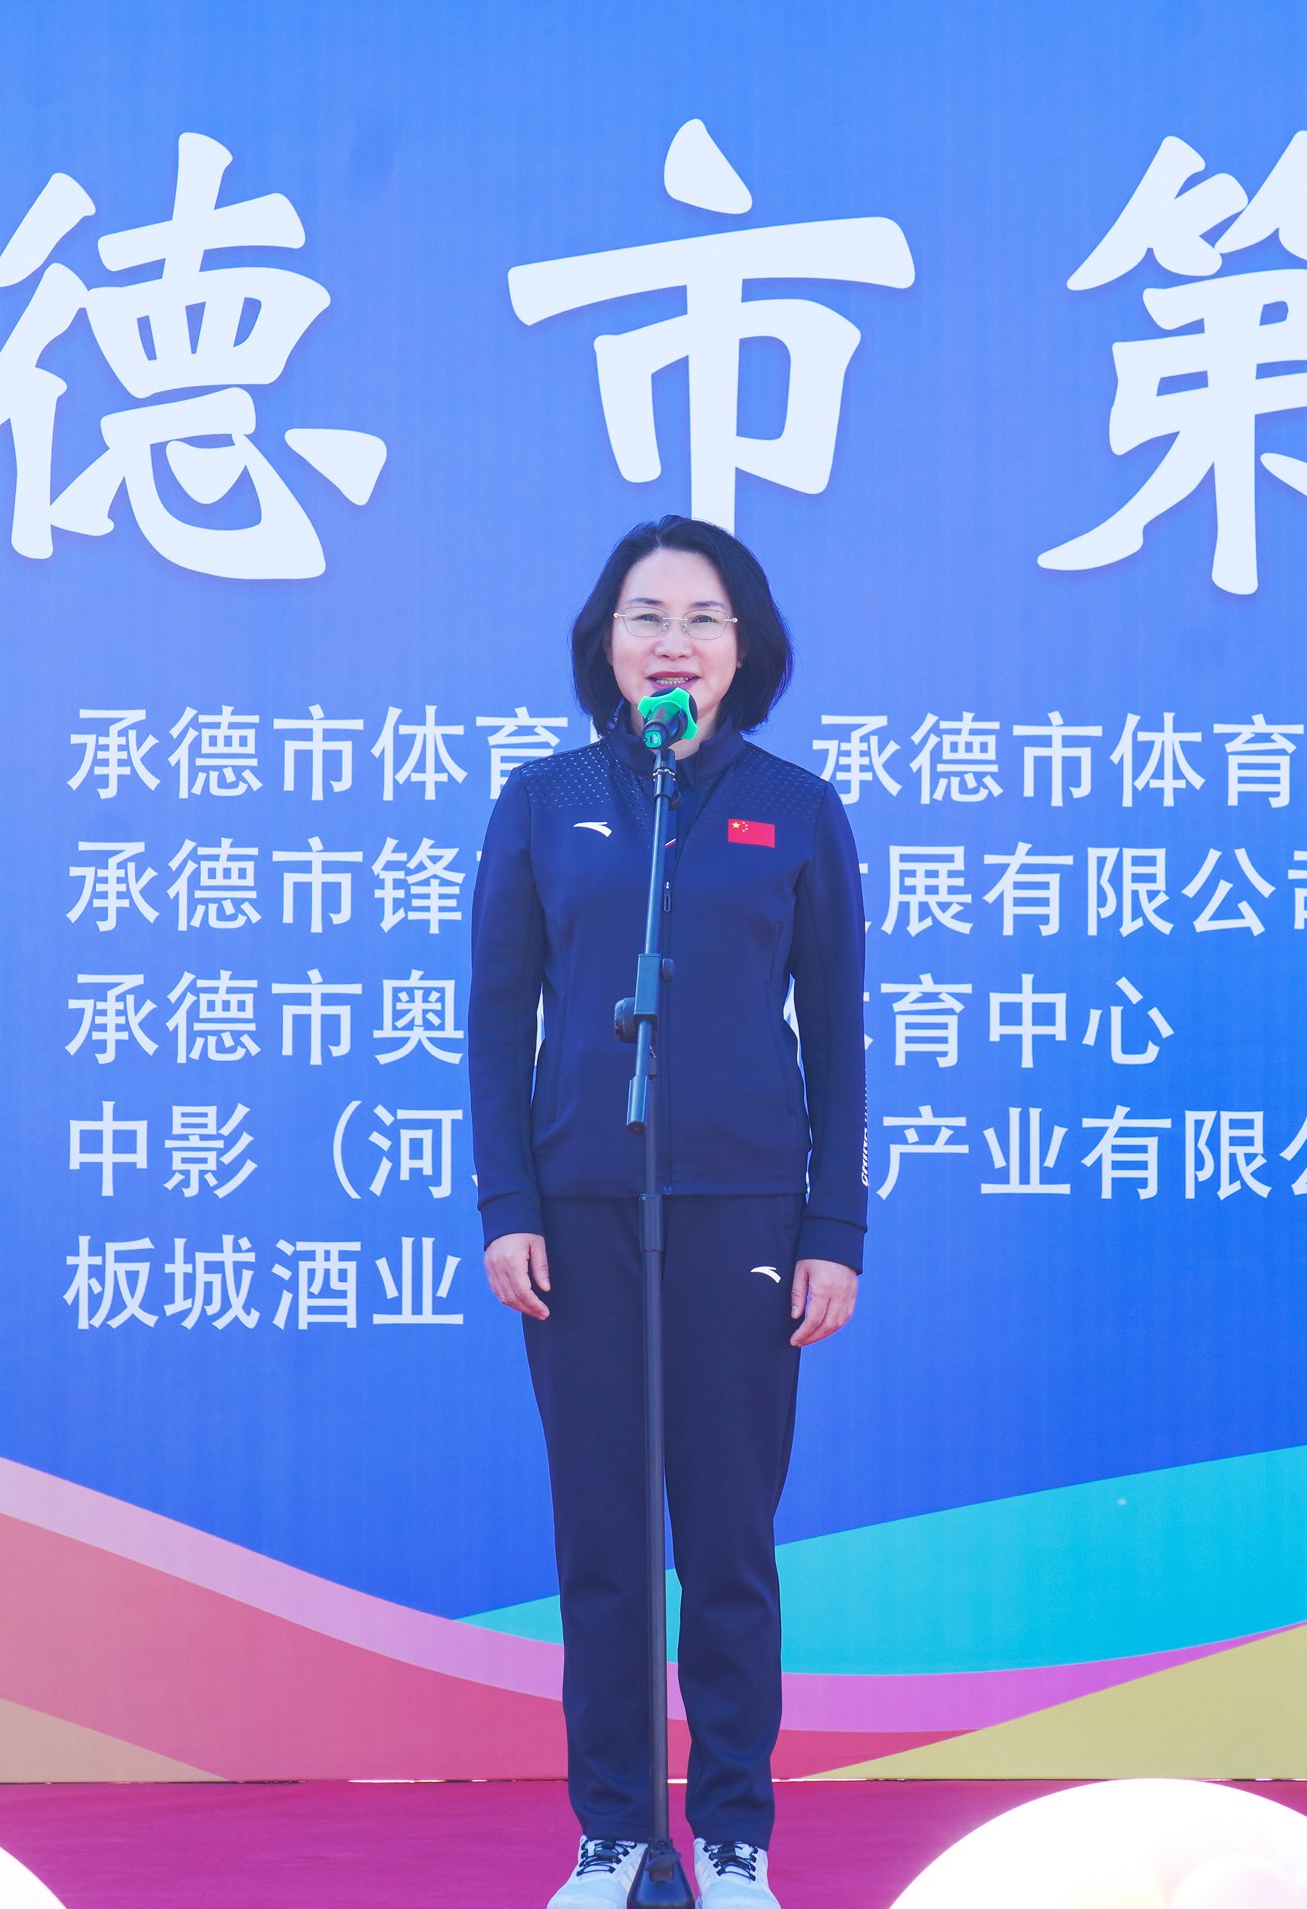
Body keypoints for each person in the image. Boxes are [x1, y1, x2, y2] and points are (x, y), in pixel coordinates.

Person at [470, 517, 867, 1909]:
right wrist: (507, 1201)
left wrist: (833, 1229)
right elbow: (496, 1021)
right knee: (605, 1548)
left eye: (703, 618)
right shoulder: (545, 802)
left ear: (743, 649)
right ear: (607, 643)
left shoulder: (795, 809)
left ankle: (736, 1839)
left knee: (729, 1546)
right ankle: (617, 1837)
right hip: (580, 1216)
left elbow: (838, 1035)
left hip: (746, 1216)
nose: (674, 642)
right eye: (647, 616)